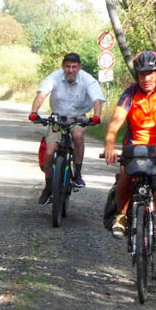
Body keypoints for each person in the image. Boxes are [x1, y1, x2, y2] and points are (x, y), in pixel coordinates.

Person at [103, 50, 156, 281]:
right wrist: (110, 146)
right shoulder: (130, 93)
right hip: (134, 151)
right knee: (125, 178)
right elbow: (115, 122)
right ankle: (121, 216)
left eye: (150, 73)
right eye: (142, 74)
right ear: (137, 76)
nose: (146, 78)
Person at [29, 52, 105, 204]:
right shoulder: (54, 77)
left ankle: (77, 174)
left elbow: (97, 99)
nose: (70, 70)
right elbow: (42, 94)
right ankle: (48, 186)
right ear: (63, 66)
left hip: (78, 117)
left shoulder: (87, 80)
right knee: (49, 152)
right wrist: (34, 112)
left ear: (79, 67)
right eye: (67, 66)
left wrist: (96, 116)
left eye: (74, 67)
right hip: (58, 117)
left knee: (78, 136)